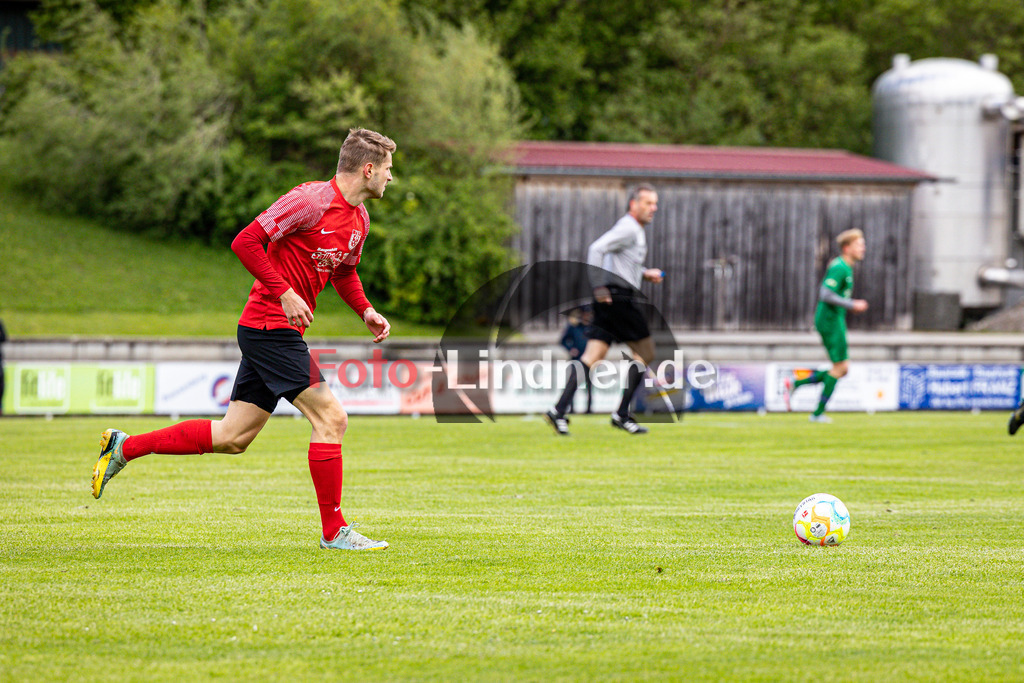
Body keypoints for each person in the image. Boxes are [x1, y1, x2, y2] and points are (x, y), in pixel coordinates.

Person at [91, 128, 396, 551]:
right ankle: (334, 532)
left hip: (273, 331)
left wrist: (365, 310)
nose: (390, 177)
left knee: (232, 437)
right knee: (332, 419)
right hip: (270, 327)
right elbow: (246, 241)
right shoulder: (309, 201)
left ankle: (125, 447)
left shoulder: (360, 219)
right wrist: (284, 291)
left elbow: (343, 272)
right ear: (368, 169)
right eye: (388, 169)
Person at [544, 184, 664, 436]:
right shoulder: (629, 227)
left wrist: (644, 273)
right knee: (646, 351)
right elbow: (596, 249)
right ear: (634, 204)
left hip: (610, 298)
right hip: (618, 298)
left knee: (592, 355)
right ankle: (621, 414)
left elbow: (620, 262)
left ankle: (558, 410)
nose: (653, 208)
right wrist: (598, 286)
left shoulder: (633, 229)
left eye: (655, 203)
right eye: (648, 203)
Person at [783, 228, 868, 423]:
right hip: (830, 321)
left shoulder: (845, 267)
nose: (863, 248)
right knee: (841, 367)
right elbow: (825, 294)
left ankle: (796, 384)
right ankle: (816, 413)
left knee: (842, 368)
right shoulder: (840, 267)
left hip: (835, 319)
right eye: (859, 245)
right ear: (847, 248)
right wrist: (852, 304)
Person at [558, 307, 593, 414]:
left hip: (590, 360)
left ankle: (589, 408)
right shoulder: (574, 327)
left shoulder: (592, 328)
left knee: (589, 385)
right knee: (572, 383)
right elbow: (563, 340)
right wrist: (571, 349)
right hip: (576, 360)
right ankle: (571, 408)